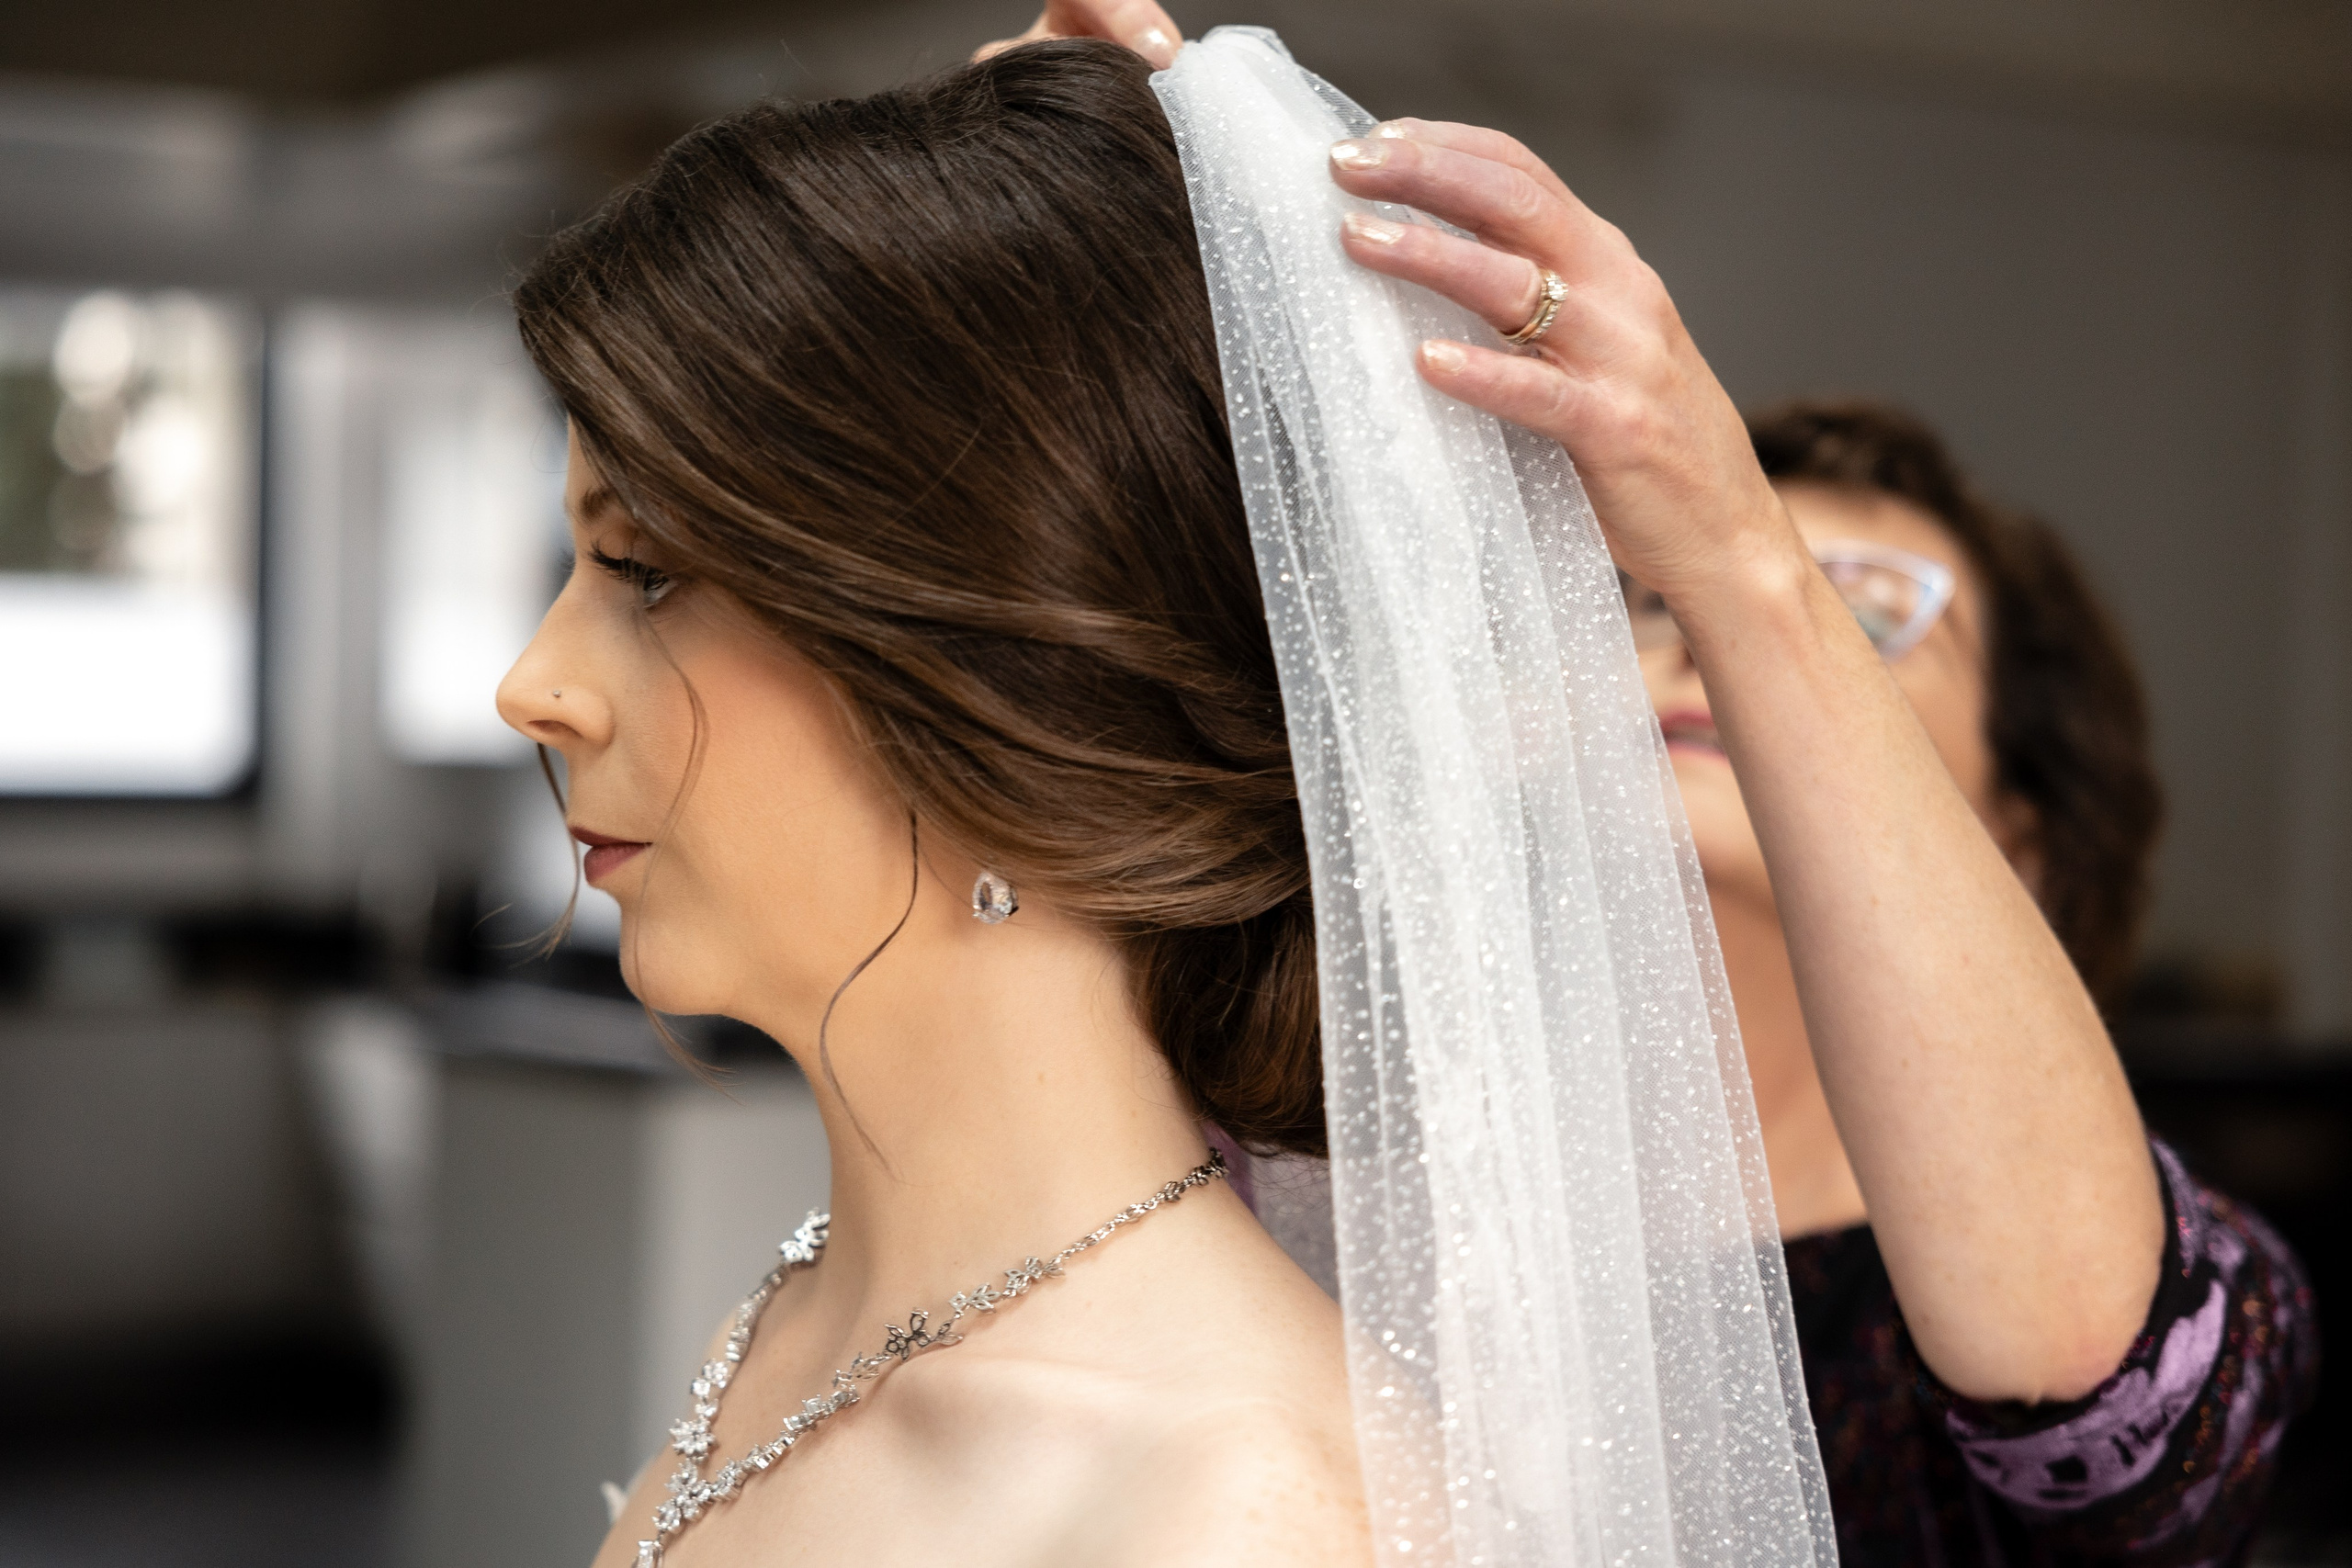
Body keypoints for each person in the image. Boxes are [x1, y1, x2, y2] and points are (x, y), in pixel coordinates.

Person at [493, 9, 2314, 1568]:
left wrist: (1743, 549)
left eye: (1862, 618)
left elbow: (2102, 1387)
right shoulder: (1334, 1146)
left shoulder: (2044, 1318)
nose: (1692, 648)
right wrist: (993, 271)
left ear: (2013, 836)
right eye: (1634, 600)